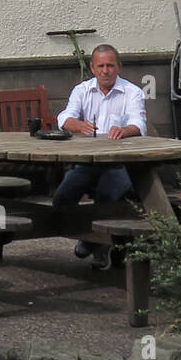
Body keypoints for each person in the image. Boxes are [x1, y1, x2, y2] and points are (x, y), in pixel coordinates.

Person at [52, 44, 147, 270]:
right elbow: (64, 116)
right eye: (101, 66)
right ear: (93, 68)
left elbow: (139, 124)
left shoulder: (132, 92)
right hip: (87, 162)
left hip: (118, 163)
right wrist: (77, 124)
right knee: (61, 199)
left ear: (119, 67)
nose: (106, 71)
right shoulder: (82, 90)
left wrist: (125, 131)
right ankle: (90, 238)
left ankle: (96, 245)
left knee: (109, 199)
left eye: (110, 65)